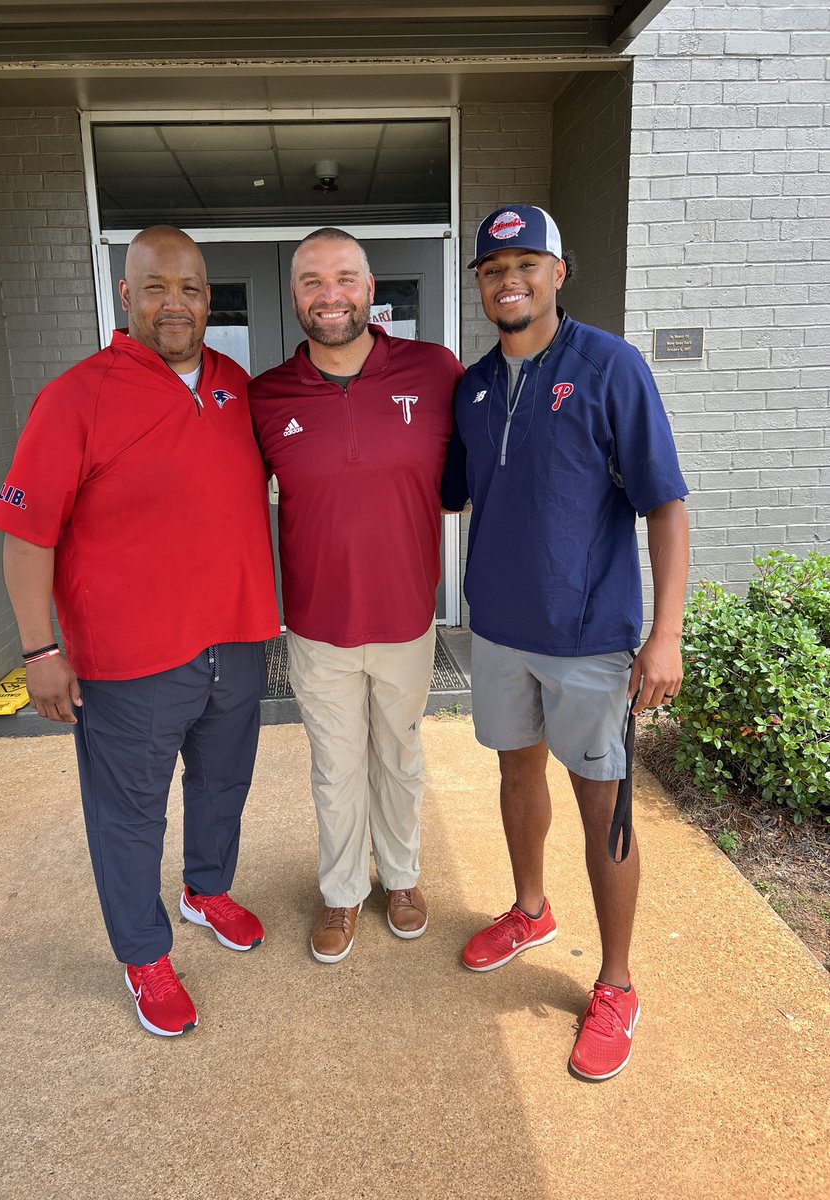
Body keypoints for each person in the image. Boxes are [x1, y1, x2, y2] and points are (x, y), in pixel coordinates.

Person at [0, 226, 279, 1037]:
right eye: (156, 287)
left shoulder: (234, 385)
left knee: (222, 785)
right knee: (128, 815)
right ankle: (144, 954)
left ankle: (206, 889)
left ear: (207, 297)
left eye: (190, 288)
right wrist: (39, 650)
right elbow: (26, 535)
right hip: (131, 661)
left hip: (238, 638)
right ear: (126, 296)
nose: (175, 303)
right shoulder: (76, 396)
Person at [441, 205, 689, 1081]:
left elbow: (665, 503)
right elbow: (457, 494)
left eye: (525, 261)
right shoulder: (470, 387)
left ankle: (617, 983)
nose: (508, 278)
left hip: (591, 640)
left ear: (558, 269)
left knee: (601, 803)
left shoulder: (609, 366)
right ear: (477, 284)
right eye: (491, 267)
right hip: (501, 632)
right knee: (515, 774)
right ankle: (530, 910)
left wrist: (666, 634)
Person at [248, 228, 463, 963]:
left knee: (399, 759)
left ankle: (400, 877)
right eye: (312, 280)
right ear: (295, 295)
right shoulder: (267, 396)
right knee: (334, 767)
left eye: (344, 277)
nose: (329, 293)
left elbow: (485, 474)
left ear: (372, 291)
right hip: (316, 624)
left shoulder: (436, 372)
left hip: (406, 617)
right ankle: (342, 890)